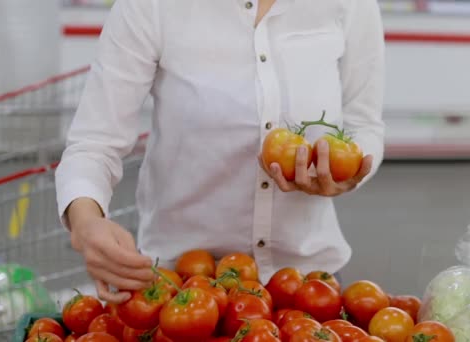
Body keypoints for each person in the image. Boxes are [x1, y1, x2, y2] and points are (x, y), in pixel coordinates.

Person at [55, 0, 386, 303]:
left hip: (309, 288)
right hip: (182, 289)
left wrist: (350, 170)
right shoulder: (152, 7)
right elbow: (94, 143)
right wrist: (86, 221)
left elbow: (365, 126)